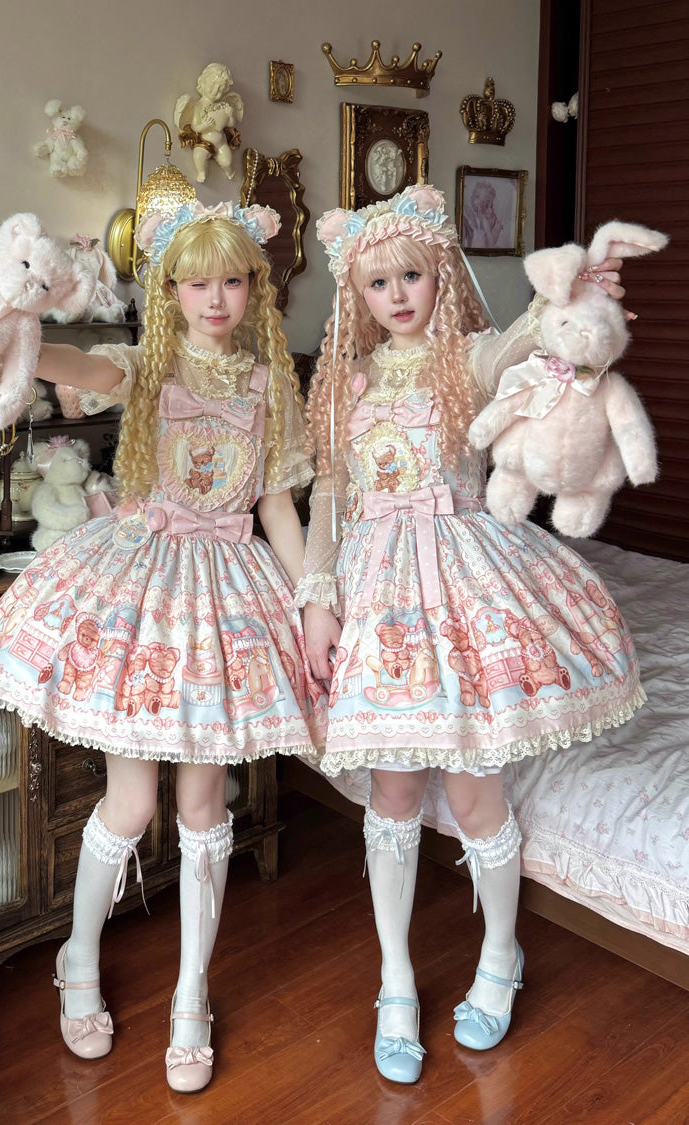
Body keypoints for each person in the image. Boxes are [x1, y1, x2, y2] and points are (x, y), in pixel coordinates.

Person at [0, 198, 325, 1093]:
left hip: (228, 592)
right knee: (129, 804)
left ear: (254, 288)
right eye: (197, 283)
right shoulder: (146, 365)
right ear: (169, 292)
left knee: (205, 804)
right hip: (147, 587)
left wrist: (313, 597)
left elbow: (278, 506)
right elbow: (76, 363)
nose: (216, 298)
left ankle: (191, 992)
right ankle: (78, 957)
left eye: (232, 281)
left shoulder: (269, 384)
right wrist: (12, 325)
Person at [297, 184, 641, 1083]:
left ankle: (500, 952)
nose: (397, 296)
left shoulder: (469, 358)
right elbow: (330, 491)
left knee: (476, 792)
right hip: (379, 593)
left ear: (440, 274)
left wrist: (574, 290)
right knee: (392, 794)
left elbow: (531, 336)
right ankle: (396, 979)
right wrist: (318, 594)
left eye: (412, 276)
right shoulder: (346, 380)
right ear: (356, 294)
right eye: (378, 283)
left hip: (462, 575)